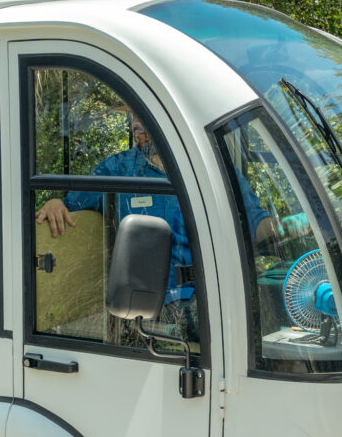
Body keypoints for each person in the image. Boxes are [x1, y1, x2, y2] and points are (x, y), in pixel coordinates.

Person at [36, 108, 282, 314]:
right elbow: (72, 203)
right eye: (133, 117)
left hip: (211, 295)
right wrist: (56, 202)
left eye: (143, 115)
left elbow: (256, 223)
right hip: (153, 304)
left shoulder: (212, 166)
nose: (135, 124)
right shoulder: (119, 168)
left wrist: (286, 229)